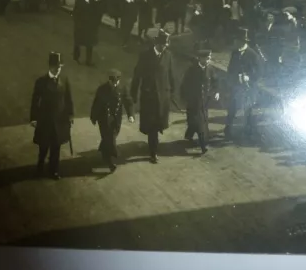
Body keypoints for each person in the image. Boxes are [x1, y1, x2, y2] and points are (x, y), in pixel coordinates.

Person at [129, 30, 175, 163]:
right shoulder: (145, 56)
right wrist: (134, 94)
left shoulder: (168, 56)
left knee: (159, 124)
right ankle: (153, 152)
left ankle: (153, 146)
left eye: (166, 44)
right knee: (152, 127)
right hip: (149, 97)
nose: (165, 46)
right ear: (157, 43)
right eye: (163, 44)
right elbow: (137, 75)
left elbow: (171, 75)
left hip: (163, 97)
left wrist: (172, 92)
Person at [30, 52, 74, 180]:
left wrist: (70, 115)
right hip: (45, 120)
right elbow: (35, 101)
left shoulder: (64, 80)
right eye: (56, 67)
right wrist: (33, 118)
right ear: (50, 67)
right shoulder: (41, 82)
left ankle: (53, 170)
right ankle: (40, 167)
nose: (58, 69)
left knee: (56, 147)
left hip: (59, 120)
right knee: (44, 146)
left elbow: (68, 99)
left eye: (60, 67)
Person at [90, 69, 134, 173]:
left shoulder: (123, 89)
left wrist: (130, 115)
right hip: (104, 118)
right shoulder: (102, 89)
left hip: (116, 118)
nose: (114, 84)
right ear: (109, 80)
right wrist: (93, 117)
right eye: (112, 82)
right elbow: (96, 104)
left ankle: (104, 154)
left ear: (119, 81)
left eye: (116, 82)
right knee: (110, 138)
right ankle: (111, 163)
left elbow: (128, 102)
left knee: (110, 137)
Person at [180, 50, 219, 154]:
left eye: (209, 58)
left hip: (205, 101)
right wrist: (185, 98)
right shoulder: (191, 70)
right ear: (200, 58)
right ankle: (203, 146)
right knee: (200, 123)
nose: (208, 60)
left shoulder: (211, 69)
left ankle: (189, 134)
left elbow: (215, 82)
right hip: (193, 101)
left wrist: (216, 92)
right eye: (207, 58)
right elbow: (184, 85)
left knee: (197, 121)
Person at [224, 28, 261, 139]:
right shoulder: (235, 53)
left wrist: (248, 77)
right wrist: (232, 79)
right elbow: (230, 68)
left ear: (243, 42)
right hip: (236, 86)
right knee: (232, 108)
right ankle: (228, 129)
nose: (235, 43)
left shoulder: (253, 55)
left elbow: (259, 72)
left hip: (248, 87)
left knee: (248, 109)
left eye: (237, 41)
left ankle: (248, 131)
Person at [72, 0, 100, 66]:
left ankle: (88, 60)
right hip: (80, 28)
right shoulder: (80, 3)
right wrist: (79, 25)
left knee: (89, 44)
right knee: (78, 43)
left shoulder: (91, 2)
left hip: (89, 28)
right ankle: (76, 58)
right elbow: (75, 15)